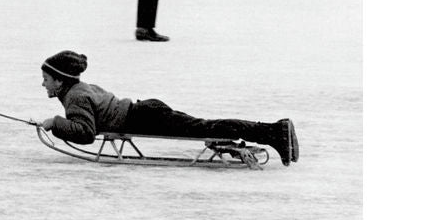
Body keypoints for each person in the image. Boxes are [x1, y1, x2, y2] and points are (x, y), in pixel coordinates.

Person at [37, 50, 299, 166]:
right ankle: (274, 132)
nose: (43, 84)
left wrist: (55, 123)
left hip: (143, 118)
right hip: (145, 111)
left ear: (60, 80)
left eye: (47, 79)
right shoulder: (79, 89)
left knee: (205, 128)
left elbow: (85, 132)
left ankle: (275, 132)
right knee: (202, 125)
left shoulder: (75, 97)